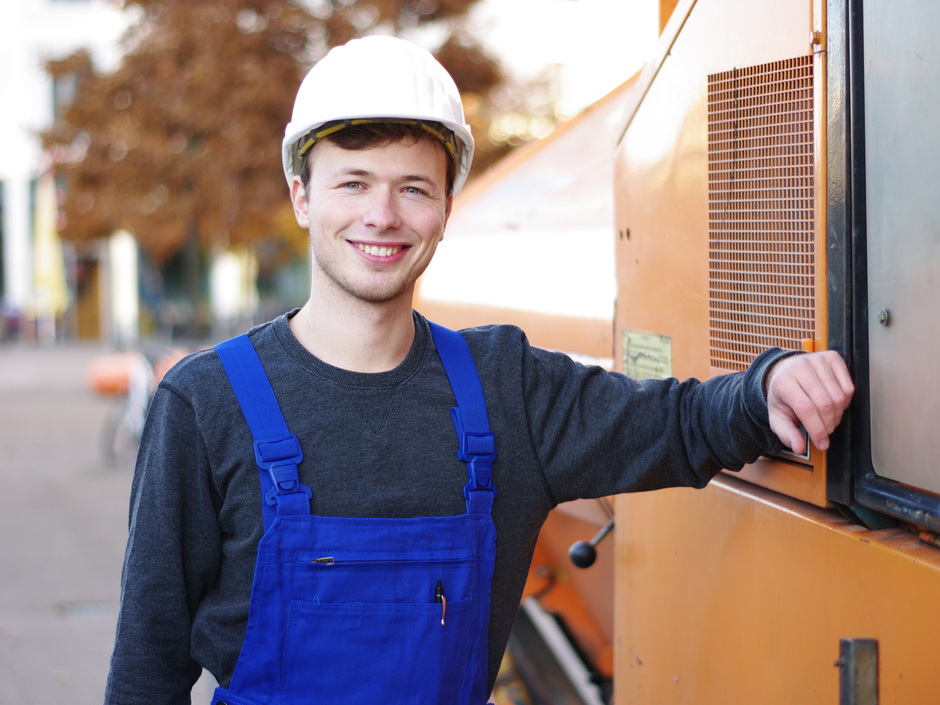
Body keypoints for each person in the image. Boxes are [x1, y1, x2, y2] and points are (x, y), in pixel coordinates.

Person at [104, 35, 854, 705]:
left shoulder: (506, 390)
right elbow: (147, 668)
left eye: (413, 188)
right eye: (353, 182)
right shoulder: (205, 403)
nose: (383, 215)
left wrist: (767, 387)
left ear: (446, 207)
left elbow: (680, 423)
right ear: (302, 196)